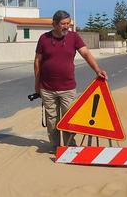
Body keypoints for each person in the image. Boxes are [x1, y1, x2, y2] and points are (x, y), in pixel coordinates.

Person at [34, 10, 108, 150]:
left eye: (68, 23)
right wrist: (37, 84)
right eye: (63, 24)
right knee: (52, 121)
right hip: (47, 88)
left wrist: (97, 70)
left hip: (67, 88)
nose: (66, 26)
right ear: (54, 24)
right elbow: (37, 61)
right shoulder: (44, 38)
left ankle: (69, 147)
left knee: (69, 119)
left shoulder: (74, 37)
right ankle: (55, 147)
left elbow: (85, 53)